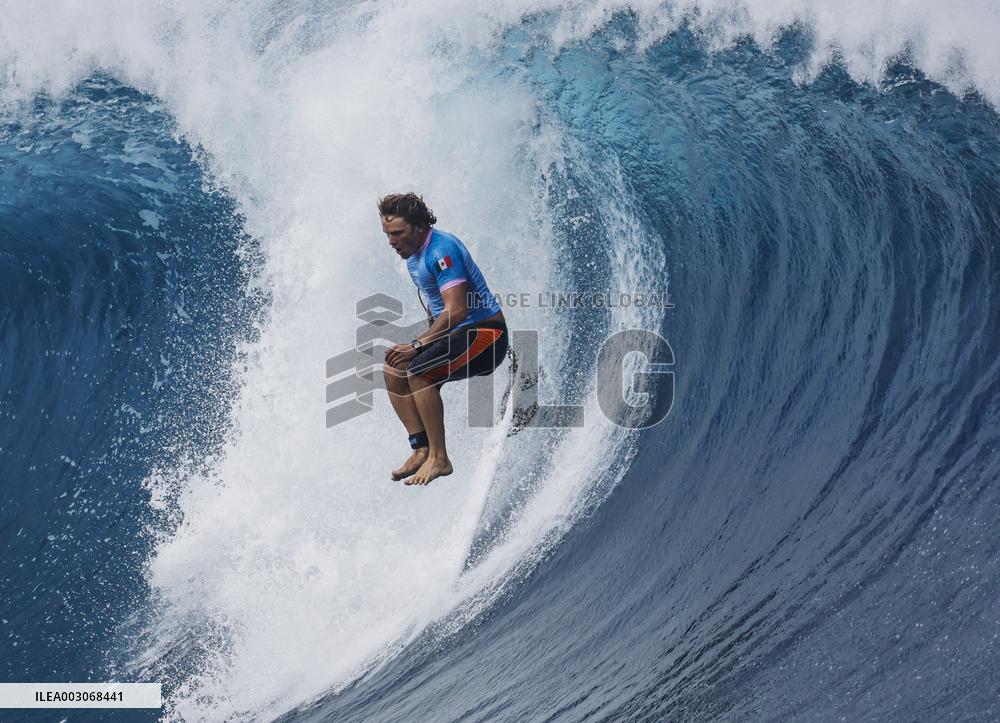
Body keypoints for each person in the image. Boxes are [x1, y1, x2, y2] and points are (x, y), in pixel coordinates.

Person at [379, 193, 508, 486]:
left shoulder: (442, 250)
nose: (391, 241)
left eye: (397, 233)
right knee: (394, 370)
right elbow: (436, 309)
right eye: (387, 234)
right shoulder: (414, 256)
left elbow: (457, 309)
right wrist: (420, 346)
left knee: (419, 373)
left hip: (487, 335)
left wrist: (417, 346)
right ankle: (420, 447)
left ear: (420, 227)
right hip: (460, 336)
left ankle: (440, 458)